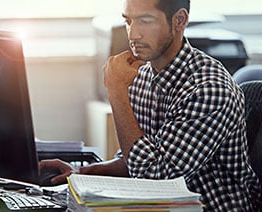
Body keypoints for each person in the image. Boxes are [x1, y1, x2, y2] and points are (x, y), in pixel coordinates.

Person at [39, 0, 262, 210]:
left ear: (179, 20)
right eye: (129, 21)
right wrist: (80, 173)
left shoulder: (208, 88)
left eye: (145, 21)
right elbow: (134, 160)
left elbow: (155, 179)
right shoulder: (141, 76)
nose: (133, 34)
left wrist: (117, 92)